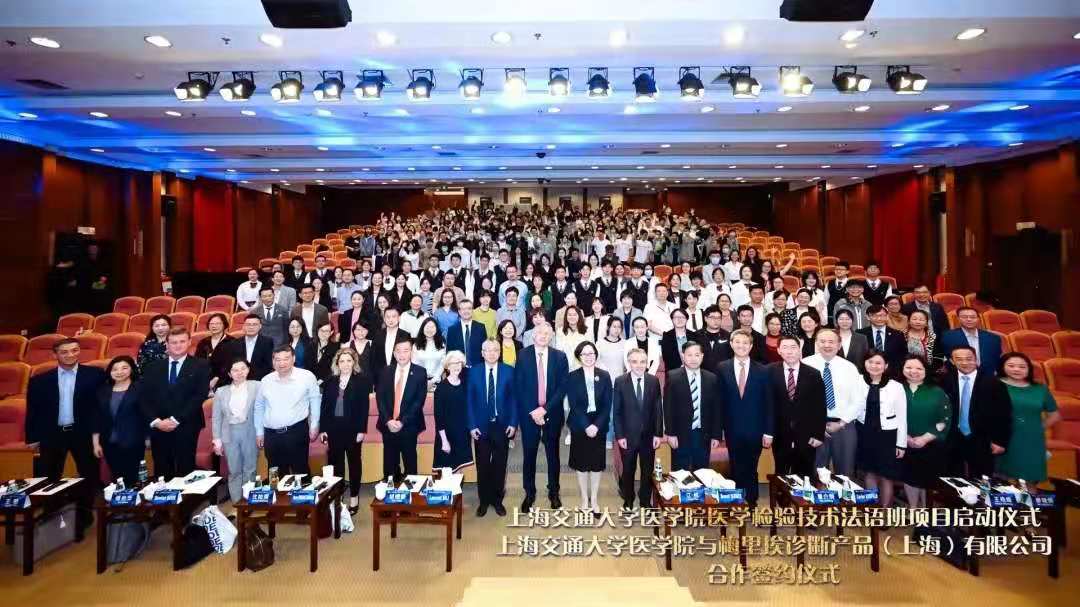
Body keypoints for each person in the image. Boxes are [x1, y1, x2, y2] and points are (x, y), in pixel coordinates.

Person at [140, 328, 212, 478]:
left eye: (182, 341)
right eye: (173, 342)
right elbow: (144, 397)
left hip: (187, 424)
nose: (178, 345)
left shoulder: (201, 365)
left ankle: (186, 494)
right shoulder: (153, 367)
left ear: (189, 342)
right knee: (162, 468)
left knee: (185, 469)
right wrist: (156, 421)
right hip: (159, 426)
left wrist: (175, 419)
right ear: (167, 344)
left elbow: (199, 396)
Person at [714, 329, 774, 506]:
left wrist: (768, 432)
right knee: (735, 465)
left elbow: (769, 403)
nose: (741, 346)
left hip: (756, 429)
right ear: (731, 344)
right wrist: (718, 431)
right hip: (731, 428)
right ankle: (736, 501)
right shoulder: (722, 368)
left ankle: (752, 501)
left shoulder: (763, 370)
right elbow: (718, 401)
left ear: (751, 345)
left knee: (751, 466)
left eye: (745, 343)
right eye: (737, 342)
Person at [515, 323, 570, 511]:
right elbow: (519, 385)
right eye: (540, 332)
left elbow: (563, 387)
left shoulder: (560, 357)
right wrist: (534, 411)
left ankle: (554, 492)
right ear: (533, 335)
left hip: (552, 413)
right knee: (529, 455)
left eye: (547, 333)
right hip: (529, 415)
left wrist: (544, 409)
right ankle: (529, 493)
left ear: (551, 336)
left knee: (553, 455)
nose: (543, 336)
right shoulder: (523, 355)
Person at [803, 329, 867, 478]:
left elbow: (858, 399)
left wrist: (841, 423)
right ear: (816, 344)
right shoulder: (805, 364)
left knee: (845, 473)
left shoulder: (849, 368)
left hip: (844, 425)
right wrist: (816, 425)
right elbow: (801, 400)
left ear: (839, 345)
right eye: (822, 341)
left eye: (831, 342)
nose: (827, 345)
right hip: (813, 426)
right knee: (815, 473)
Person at [941, 346, 1012, 478]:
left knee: (982, 478)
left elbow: (1003, 415)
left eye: (969, 359)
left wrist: (1000, 441)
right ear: (952, 361)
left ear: (976, 359)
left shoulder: (994, 383)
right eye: (959, 359)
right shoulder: (945, 381)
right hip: (953, 437)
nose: (965, 363)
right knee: (952, 477)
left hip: (982, 438)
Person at [466, 340, 517, 517]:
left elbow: (514, 399)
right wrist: (472, 425)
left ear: (500, 352)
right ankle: (484, 501)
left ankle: (497, 500)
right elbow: (469, 401)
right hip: (480, 427)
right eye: (487, 350)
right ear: (482, 353)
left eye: (495, 350)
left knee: (500, 464)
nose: (492, 353)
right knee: (482, 465)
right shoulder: (473, 372)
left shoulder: (508, 371)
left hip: (502, 425)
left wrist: (513, 423)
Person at [254, 344, 321, 477]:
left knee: (300, 472)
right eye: (277, 359)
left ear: (293, 358)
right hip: (271, 435)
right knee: (275, 474)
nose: (282, 363)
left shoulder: (307, 376)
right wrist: (259, 432)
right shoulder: (266, 380)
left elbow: (315, 401)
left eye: (286, 358)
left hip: (296, 431)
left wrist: (314, 424)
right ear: (273, 361)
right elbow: (259, 406)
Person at [319, 348, 371, 512]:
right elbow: (325, 407)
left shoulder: (362, 381)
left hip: (353, 429)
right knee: (336, 465)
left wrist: (361, 430)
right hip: (333, 429)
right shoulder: (330, 381)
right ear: (337, 363)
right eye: (342, 361)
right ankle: (338, 496)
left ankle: (354, 497)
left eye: (349, 360)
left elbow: (364, 407)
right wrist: (323, 429)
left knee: (354, 463)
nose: (345, 364)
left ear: (354, 362)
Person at [996, 352, 1060, 483]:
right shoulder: (995, 385)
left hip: (1031, 440)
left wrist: (1035, 428)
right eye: (1011, 365)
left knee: (1029, 480)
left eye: (1022, 366)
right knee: (1002, 481)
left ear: (1029, 369)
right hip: (1003, 438)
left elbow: (1054, 415)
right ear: (1002, 366)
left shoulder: (1040, 388)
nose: (1016, 369)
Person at [613, 348, 663, 509]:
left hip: (649, 436)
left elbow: (658, 409)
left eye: (642, 362)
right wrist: (620, 435)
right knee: (628, 469)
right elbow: (617, 411)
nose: (639, 365)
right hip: (628, 436)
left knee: (647, 470)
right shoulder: (620, 381)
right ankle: (628, 498)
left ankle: (644, 499)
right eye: (634, 362)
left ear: (647, 363)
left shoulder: (653, 381)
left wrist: (658, 434)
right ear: (629, 363)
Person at [769, 337, 826, 479]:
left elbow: (819, 406)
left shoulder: (813, 374)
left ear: (800, 349)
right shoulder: (769, 371)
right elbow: (766, 404)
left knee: (805, 474)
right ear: (779, 350)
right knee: (781, 474)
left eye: (793, 347)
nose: (789, 351)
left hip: (806, 435)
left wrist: (818, 434)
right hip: (779, 433)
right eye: (785, 347)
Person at [855, 351, 907, 507]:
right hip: (864, 433)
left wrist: (901, 444)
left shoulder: (896, 386)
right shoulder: (857, 381)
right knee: (869, 473)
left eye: (878, 363)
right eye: (870, 362)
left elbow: (902, 417)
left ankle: (885, 512)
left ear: (886, 366)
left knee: (886, 476)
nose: (874, 366)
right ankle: (872, 509)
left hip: (887, 437)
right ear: (865, 363)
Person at [566, 341, 612, 513]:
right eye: (584, 354)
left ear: (596, 355)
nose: (588, 357)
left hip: (599, 424)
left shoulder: (604, 375)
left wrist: (597, 425)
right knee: (582, 464)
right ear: (579, 357)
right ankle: (584, 499)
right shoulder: (572, 376)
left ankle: (594, 499)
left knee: (596, 464)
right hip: (580, 424)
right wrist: (586, 425)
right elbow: (574, 404)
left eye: (591, 353)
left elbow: (607, 404)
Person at [900, 356, 951, 508]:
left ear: (926, 370)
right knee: (909, 477)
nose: (913, 371)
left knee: (926, 479)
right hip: (903, 442)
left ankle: (925, 509)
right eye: (909, 367)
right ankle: (914, 508)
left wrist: (924, 438)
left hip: (930, 443)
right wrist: (905, 437)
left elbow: (945, 418)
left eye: (919, 368)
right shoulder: (896, 389)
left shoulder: (937, 391)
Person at [664, 342, 721, 471]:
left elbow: (716, 409)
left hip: (703, 434)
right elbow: (668, 408)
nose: (693, 358)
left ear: (702, 356)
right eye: (689, 355)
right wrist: (670, 433)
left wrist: (716, 435)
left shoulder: (711, 378)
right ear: (683, 356)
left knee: (702, 471)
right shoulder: (673, 376)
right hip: (680, 434)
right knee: (680, 472)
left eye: (697, 355)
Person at [211, 359, 261, 503]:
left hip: (250, 431)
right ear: (229, 373)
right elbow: (216, 418)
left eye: (243, 369)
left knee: (250, 469)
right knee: (234, 470)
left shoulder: (257, 386)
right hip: (229, 433)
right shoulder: (221, 392)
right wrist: (217, 440)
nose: (239, 373)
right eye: (235, 370)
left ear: (248, 370)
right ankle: (237, 503)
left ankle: (249, 503)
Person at [376, 340, 427, 477]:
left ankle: (411, 489)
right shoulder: (385, 371)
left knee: (410, 466)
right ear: (394, 353)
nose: (402, 354)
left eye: (406, 350)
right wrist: (388, 420)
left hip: (409, 425)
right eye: (398, 351)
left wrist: (402, 421)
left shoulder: (420, 372)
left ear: (411, 352)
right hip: (388, 425)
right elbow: (380, 398)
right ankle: (391, 486)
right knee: (390, 467)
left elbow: (418, 401)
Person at [91, 355, 144, 486]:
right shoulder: (102, 391)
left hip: (134, 441)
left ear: (132, 369)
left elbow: (146, 415)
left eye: (124, 368)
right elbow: (97, 419)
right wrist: (96, 444)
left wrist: (148, 438)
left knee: (133, 478)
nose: (119, 372)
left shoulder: (140, 389)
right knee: (117, 478)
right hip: (109, 441)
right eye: (115, 369)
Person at [434, 351, 474, 474]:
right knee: (447, 473)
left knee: (459, 469)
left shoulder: (465, 384)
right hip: (447, 436)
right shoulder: (441, 388)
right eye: (453, 363)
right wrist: (444, 441)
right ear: (447, 366)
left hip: (462, 435)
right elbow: (439, 417)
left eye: (459, 363)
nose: (457, 366)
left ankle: (458, 488)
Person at [941, 307, 1003, 375]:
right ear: (958, 319)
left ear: (978, 319)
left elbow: (995, 359)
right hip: (958, 375)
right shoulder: (948, 337)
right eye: (964, 317)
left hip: (987, 375)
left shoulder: (993, 338)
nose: (969, 319)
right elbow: (947, 357)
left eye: (973, 317)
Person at [194, 313, 236, 390]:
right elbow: (197, 362)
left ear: (224, 325)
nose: (214, 326)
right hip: (204, 378)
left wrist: (217, 378)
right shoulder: (203, 342)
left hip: (226, 379)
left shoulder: (232, 342)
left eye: (217, 323)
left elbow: (233, 363)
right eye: (211, 324)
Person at [858, 305, 907, 371]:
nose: (879, 319)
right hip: (867, 370)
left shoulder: (897, 334)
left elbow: (903, 356)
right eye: (875, 316)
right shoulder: (860, 334)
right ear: (868, 317)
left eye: (882, 315)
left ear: (887, 316)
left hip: (891, 372)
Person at [228, 314, 274, 381]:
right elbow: (232, 363)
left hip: (260, 379)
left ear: (260, 326)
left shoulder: (267, 342)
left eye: (254, 324)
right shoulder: (234, 343)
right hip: (239, 379)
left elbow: (268, 364)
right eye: (248, 324)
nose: (251, 327)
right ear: (243, 326)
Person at [446, 299, 487, 367]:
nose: (466, 311)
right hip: (459, 368)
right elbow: (449, 352)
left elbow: (485, 350)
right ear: (459, 311)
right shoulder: (452, 330)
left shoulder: (481, 328)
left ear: (472, 310)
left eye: (469, 308)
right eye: (463, 309)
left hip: (478, 367)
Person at [371, 307, 409, 378]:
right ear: (384, 319)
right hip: (380, 375)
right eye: (388, 317)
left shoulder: (405, 335)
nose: (391, 320)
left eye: (394, 316)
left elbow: (408, 356)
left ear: (399, 318)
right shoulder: (378, 335)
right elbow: (373, 357)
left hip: (399, 375)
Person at [412, 317, 447, 389]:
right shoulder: (416, 345)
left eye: (432, 327)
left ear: (436, 329)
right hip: (420, 381)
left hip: (437, 381)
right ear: (422, 328)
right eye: (427, 327)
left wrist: (432, 381)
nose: (430, 330)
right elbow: (414, 364)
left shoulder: (442, 344)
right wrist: (424, 381)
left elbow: (442, 364)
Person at [555, 305, 589, 371]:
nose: (572, 317)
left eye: (574, 315)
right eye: (569, 315)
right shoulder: (560, 331)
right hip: (565, 367)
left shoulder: (587, 331)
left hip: (582, 367)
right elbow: (559, 351)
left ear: (579, 316)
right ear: (566, 317)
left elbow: (590, 350)